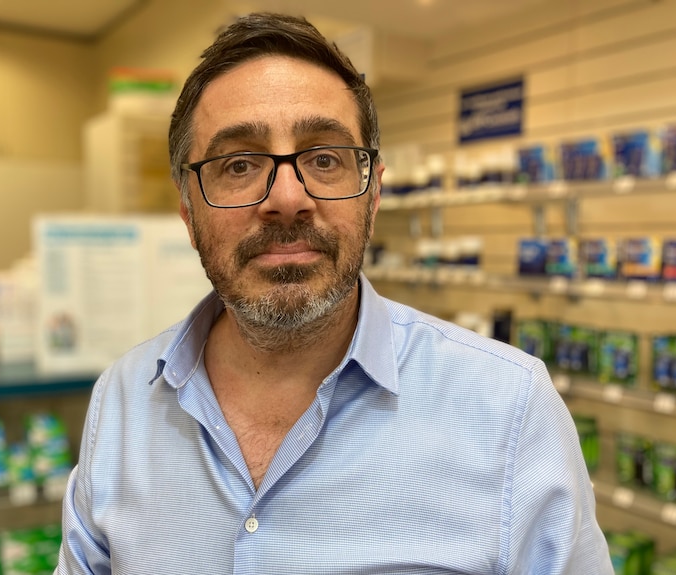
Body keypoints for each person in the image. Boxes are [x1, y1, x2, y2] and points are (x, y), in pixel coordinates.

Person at [57, 11, 612, 574]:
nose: (287, 198)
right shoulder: (123, 400)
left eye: (324, 159)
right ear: (187, 208)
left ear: (371, 195)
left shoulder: (511, 408)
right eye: (239, 163)